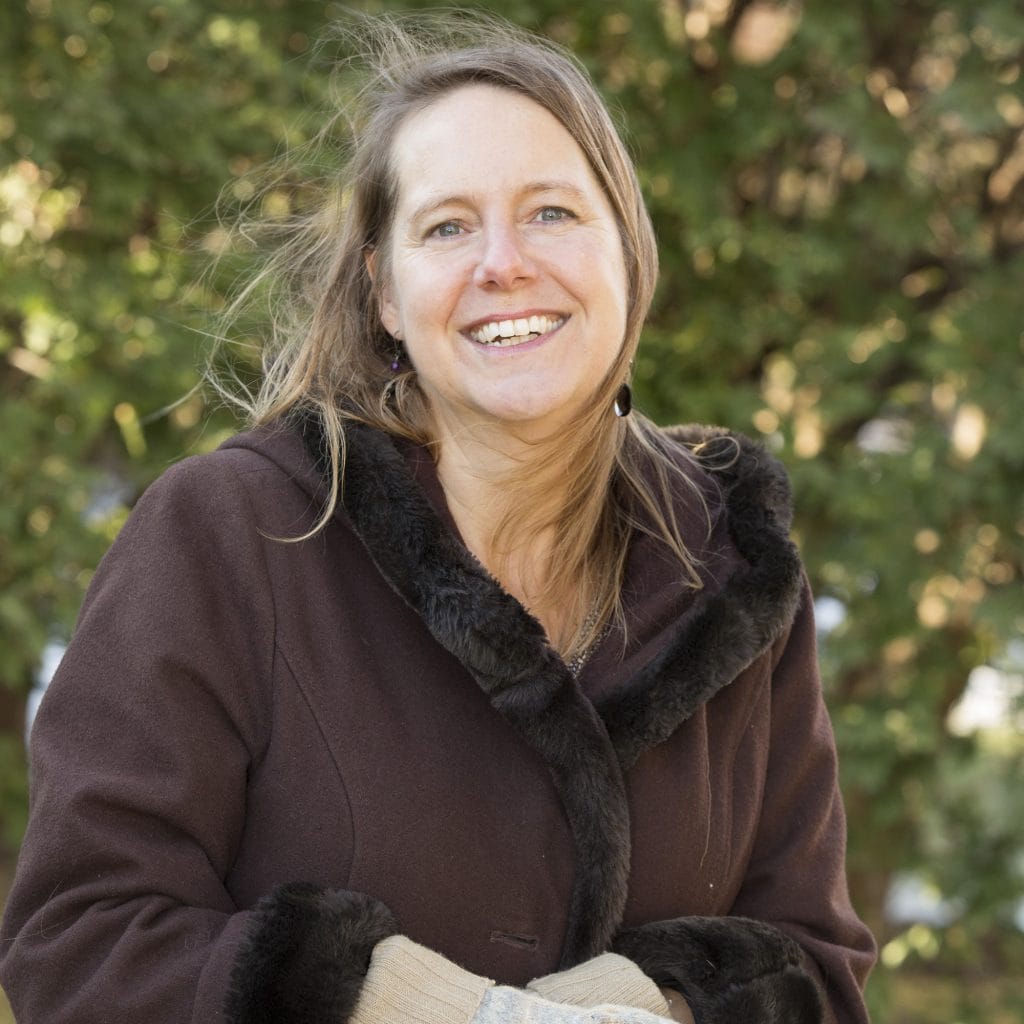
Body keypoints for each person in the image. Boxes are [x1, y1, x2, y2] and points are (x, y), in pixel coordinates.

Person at [0, 13, 876, 1024]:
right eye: (447, 226)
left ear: (625, 252)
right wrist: (419, 1005)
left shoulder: (732, 568)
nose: (502, 263)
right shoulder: (229, 534)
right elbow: (81, 943)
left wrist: (648, 1000)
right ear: (383, 292)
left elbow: (814, 962)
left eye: (551, 212)